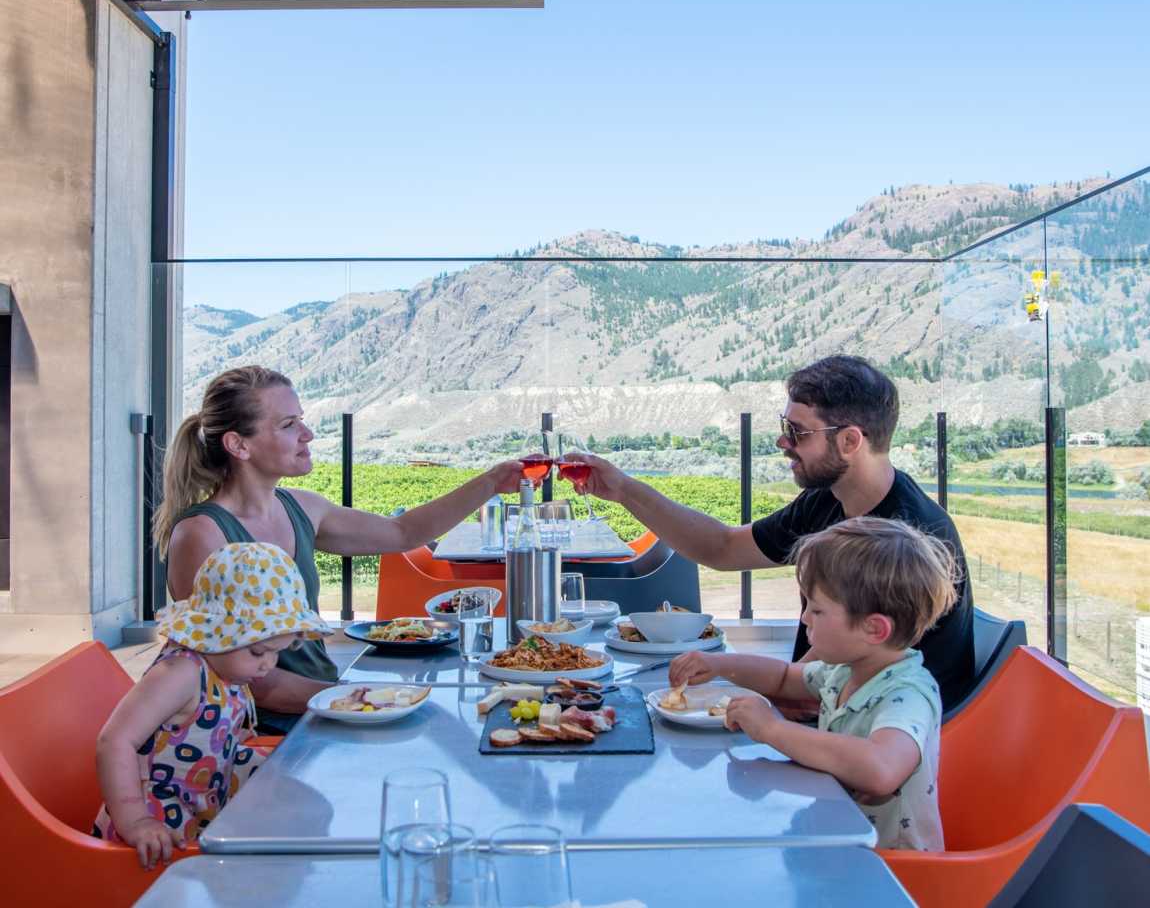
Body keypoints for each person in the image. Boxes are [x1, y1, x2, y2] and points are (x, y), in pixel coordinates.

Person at [568, 355, 975, 711]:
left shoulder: (903, 541)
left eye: (798, 432)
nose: (782, 442)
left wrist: (731, 682)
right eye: (785, 426)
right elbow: (722, 548)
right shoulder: (830, 500)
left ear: (850, 440)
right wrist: (621, 489)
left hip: (874, 748)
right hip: (828, 717)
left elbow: (802, 689)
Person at [155, 365, 524, 733]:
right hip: (261, 731)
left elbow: (402, 532)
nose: (307, 434)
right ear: (239, 444)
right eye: (288, 425)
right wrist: (366, 696)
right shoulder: (201, 534)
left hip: (321, 707)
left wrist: (492, 482)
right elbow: (253, 682)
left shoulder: (302, 507)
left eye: (300, 419)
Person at [669, 517, 957, 850]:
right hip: (837, 838)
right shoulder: (847, 670)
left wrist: (772, 730)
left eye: (817, 610)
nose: (805, 618)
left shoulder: (908, 695)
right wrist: (718, 664)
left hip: (890, 868)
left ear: (874, 629)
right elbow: (783, 677)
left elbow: (881, 769)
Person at [94, 541, 333, 868]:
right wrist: (135, 820)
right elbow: (115, 739)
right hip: (161, 820)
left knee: (295, 780)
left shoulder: (227, 669)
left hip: (205, 793)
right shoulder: (181, 672)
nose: (268, 664)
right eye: (258, 652)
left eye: (278, 651)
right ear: (216, 633)